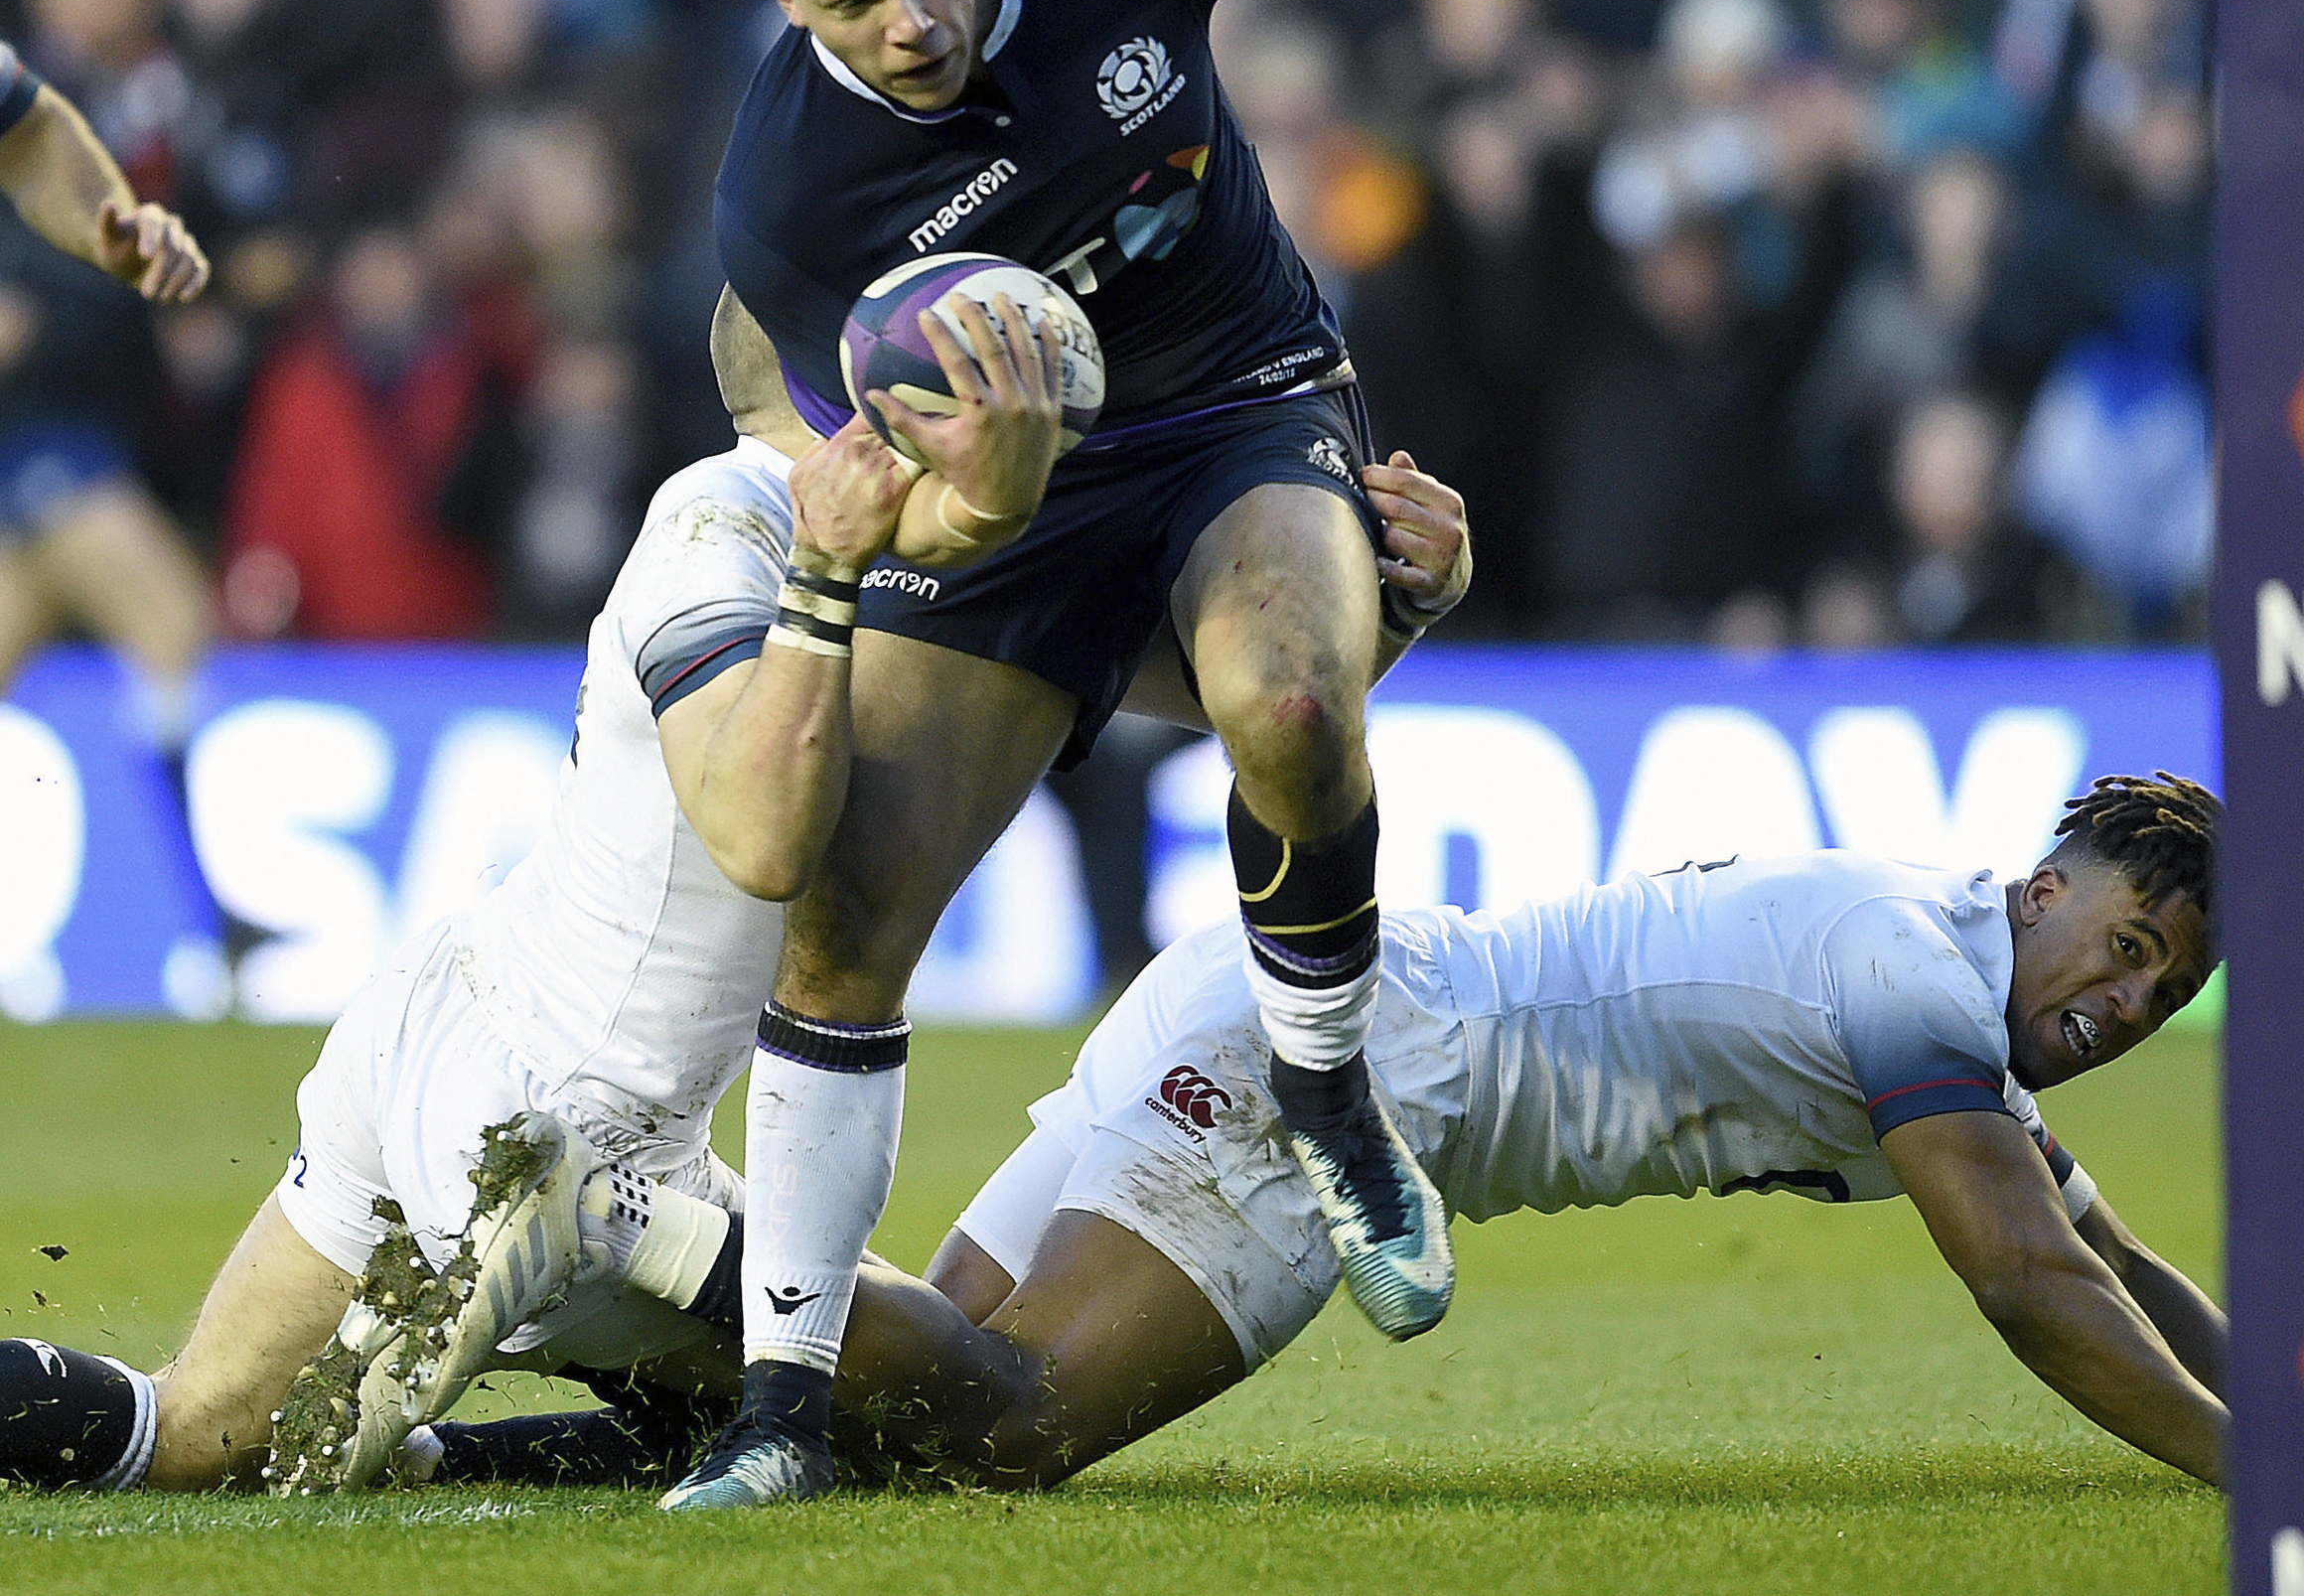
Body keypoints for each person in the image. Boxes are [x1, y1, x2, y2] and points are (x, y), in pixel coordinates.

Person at [0, 289, 1475, 1497]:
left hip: (437, 1030)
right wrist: (829, 576)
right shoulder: (725, 528)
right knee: (983, 1411)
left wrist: (1388, 600)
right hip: (569, 1136)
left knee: (189, 1435)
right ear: (871, 378)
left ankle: (437, 1450)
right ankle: (595, 1234)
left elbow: (1231, 695)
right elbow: (765, 839)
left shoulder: (905, 558)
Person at [691, 0, 1445, 1512]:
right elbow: (887, 487)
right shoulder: (791, 204)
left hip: (1233, 401)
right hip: (994, 493)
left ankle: (1329, 1099)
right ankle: (781, 1406)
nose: (910, 22)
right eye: (852, 2)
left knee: (1300, 707)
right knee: (847, 909)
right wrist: (988, 489)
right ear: (783, 0)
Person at [398, 773, 2225, 1497]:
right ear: (2045, 887)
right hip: (1349, 1089)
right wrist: (2265, 1496)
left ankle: (455, 1440)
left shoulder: (1947, 992)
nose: (2127, 1007)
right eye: (2127, 950)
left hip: (1270, 993)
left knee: (886, 1435)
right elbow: (2032, 1291)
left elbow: (2114, 1263)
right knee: (1009, 1428)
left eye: (2164, 998)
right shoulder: (1915, 982)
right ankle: (635, 1212)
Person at [0, 39, 244, 985]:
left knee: (171, 626)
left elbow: (28, 137)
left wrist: (114, 225)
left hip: (49, 441)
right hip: (48, 448)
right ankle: (210, 910)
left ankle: (212, 918)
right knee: (171, 623)